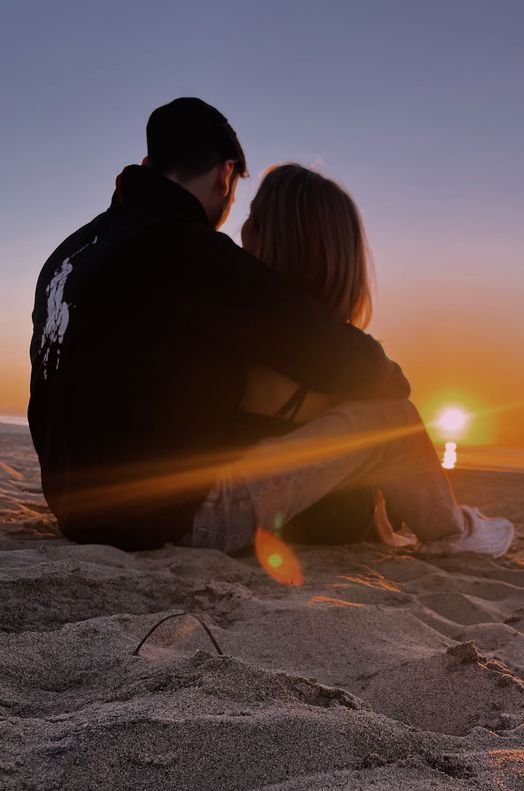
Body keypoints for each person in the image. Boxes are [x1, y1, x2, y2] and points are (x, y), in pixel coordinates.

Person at [28, 98, 409, 551]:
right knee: (388, 415)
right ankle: (456, 531)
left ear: (149, 164)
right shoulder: (191, 252)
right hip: (153, 519)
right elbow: (335, 354)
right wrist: (390, 374)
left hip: (73, 506)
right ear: (225, 175)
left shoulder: (67, 256)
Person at [188, 163, 515, 557]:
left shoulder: (245, 320)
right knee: (390, 417)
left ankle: (451, 527)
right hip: (205, 510)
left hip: (212, 504)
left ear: (275, 238)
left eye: (254, 220)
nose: (243, 229)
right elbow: (391, 387)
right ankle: (455, 531)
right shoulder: (299, 344)